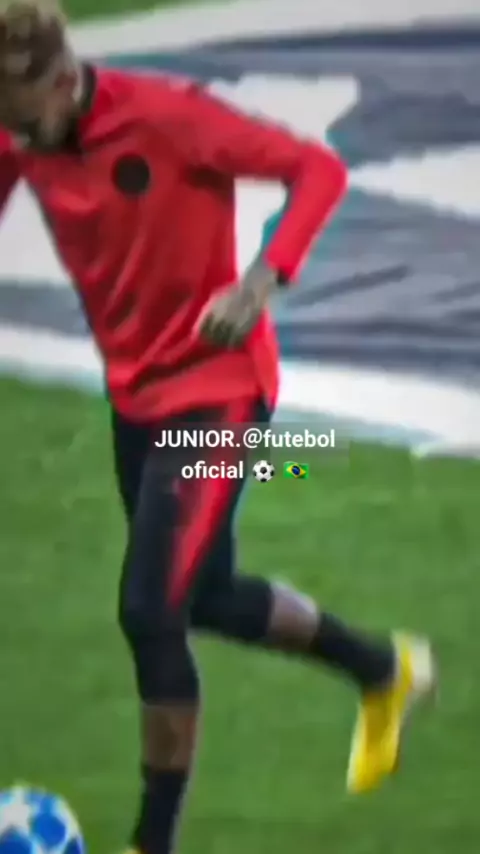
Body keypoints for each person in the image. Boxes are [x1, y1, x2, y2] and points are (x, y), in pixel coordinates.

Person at [0, 1, 436, 852]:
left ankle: (150, 844)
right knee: (206, 596)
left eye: (19, 118)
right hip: (137, 400)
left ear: (60, 79)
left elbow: (318, 170)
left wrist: (259, 282)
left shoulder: (170, 118)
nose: (14, 137)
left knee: (150, 611)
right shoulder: (22, 129)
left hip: (218, 395)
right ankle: (386, 669)